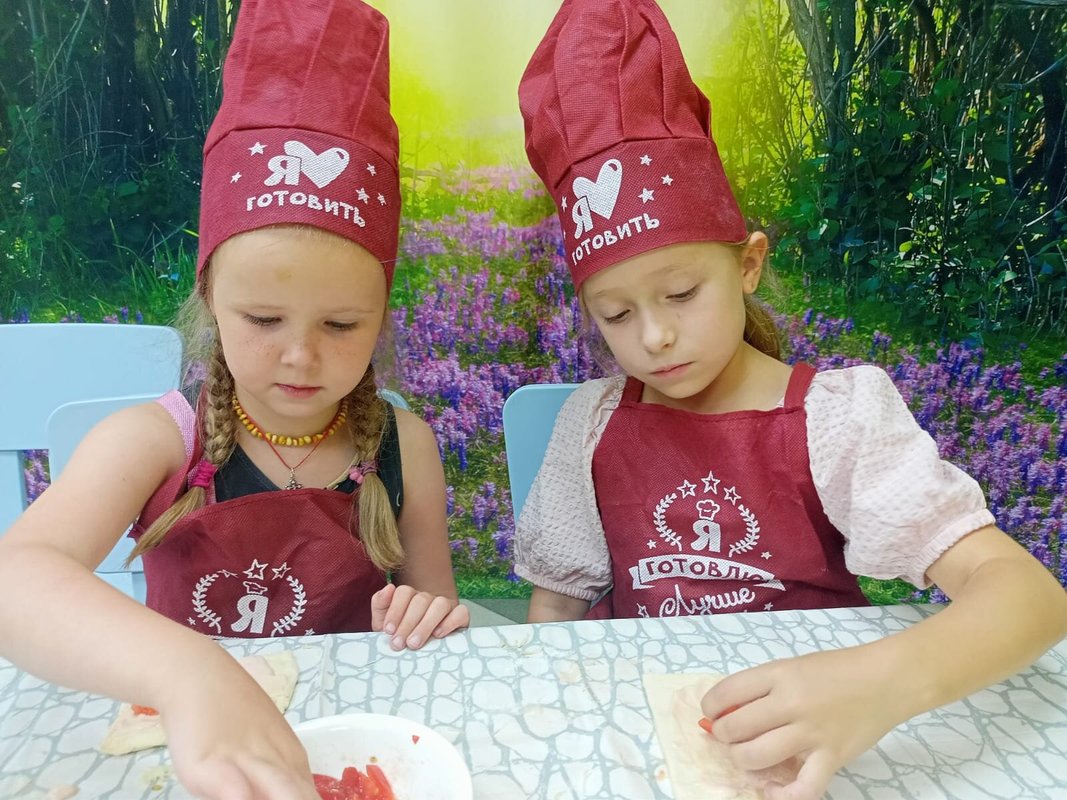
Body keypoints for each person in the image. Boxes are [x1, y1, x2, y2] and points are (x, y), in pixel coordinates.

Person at [514, 0, 1067, 796]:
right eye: (615, 314)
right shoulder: (590, 424)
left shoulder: (838, 418)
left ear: (747, 264)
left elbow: (1030, 600)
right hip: (650, 736)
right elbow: (555, 613)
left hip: (825, 733)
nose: (654, 338)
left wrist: (876, 685)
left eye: (681, 293)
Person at [0, 1, 467, 798]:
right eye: (262, 319)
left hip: (351, 745)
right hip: (185, 750)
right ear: (210, 295)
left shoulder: (402, 445)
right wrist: (189, 673)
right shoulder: (155, 440)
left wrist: (426, 615)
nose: (300, 355)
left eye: (341, 324)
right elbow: (17, 578)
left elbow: (433, 609)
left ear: (382, 315)